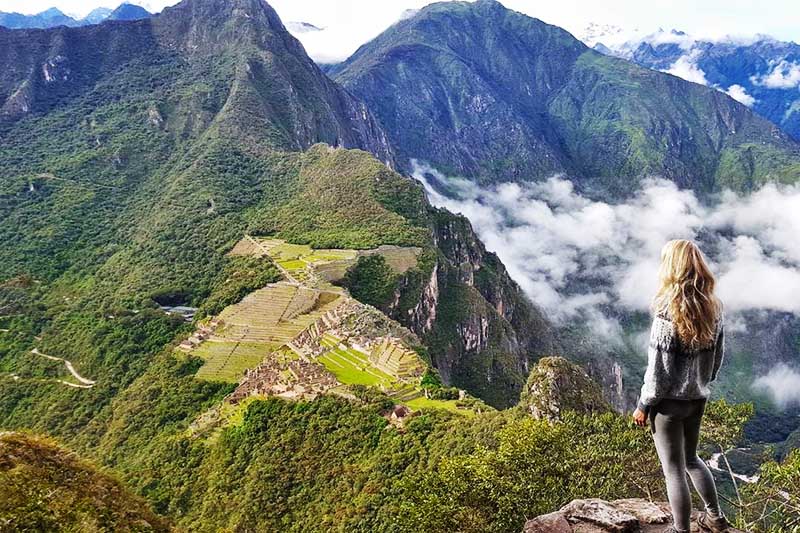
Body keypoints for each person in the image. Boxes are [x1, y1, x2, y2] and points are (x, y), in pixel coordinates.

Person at [632, 240, 730, 533]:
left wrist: (643, 405)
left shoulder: (666, 314)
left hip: (669, 405)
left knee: (673, 469)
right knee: (692, 459)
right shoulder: (713, 309)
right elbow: (718, 358)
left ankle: (680, 529)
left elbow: (659, 372)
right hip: (697, 400)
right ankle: (715, 518)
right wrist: (701, 381)